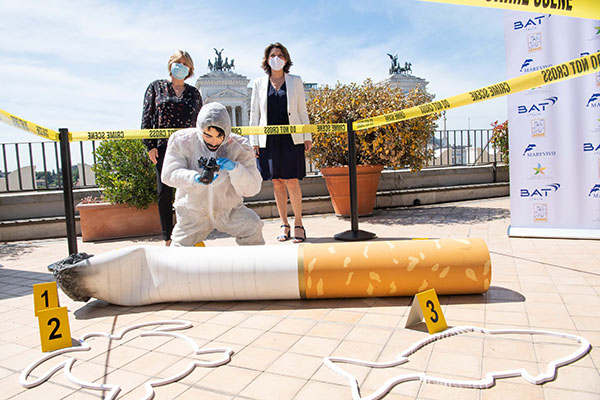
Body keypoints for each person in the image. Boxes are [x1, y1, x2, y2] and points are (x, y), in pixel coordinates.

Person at [161, 102, 265, 247]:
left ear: (226, 132)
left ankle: (251, 262)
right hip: (193, 213)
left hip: (228, 210)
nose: (213, 141)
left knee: (252, 226)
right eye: (208, 135)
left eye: (219, 136)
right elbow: (168, 174)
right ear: (200, 130)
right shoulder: (182, 141)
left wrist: (235, 169)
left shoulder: (239, 146)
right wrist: (193, 178)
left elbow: (253, 188)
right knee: (178, 251)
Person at [249, 42, 312, 243]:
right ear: (267, 60)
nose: (276, 58)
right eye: (272, 55)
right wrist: (254, 140)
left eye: (280, 55)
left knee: (292, 180)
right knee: (276, 182)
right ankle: (284, 224)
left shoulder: (295, 81)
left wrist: (307, 135)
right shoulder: (259, 83)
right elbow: (255, 114)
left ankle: (299, 223)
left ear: (286, 59)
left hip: (292, 138)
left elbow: (302, 110)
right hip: (268, 139)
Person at [141, 50, 202, 246]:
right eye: (178, 62)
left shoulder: (194, 93)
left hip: (188, 146)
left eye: (185, 64)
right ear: (170, 64)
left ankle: (190, 233)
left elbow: (200, 121)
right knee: (164, 192)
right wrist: (150, 146)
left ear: (190, 69)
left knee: (189, 189)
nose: (181, 66)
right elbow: (147, 117)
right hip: (163, 148)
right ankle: (167, 238)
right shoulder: (155, 87)